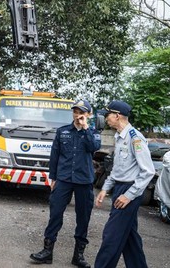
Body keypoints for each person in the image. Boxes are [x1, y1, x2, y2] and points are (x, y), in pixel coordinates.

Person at [30, 99, 101, 267]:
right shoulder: (62, 132)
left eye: (81, 112)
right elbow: (54, 156)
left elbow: (94, 147)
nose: (77, 115)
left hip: (84, 181)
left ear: (88, 115)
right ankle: (47, 252)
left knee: (83, 217)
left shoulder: (92, 132)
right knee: (55, 214)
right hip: (63, 179)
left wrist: (85, 128)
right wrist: (53, 177)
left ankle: (78, 255)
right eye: (75, 111)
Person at [94, 100, 154, 268]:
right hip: (121, 187)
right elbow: (118, 168)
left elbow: (147, 171)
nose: (106, 118)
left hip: (130, 190)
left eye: (107, 115)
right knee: (129, 237)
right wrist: (105, 188)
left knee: (111, 236)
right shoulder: (119, 136)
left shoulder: (135, 139)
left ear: (117, 115)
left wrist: (129, 195)